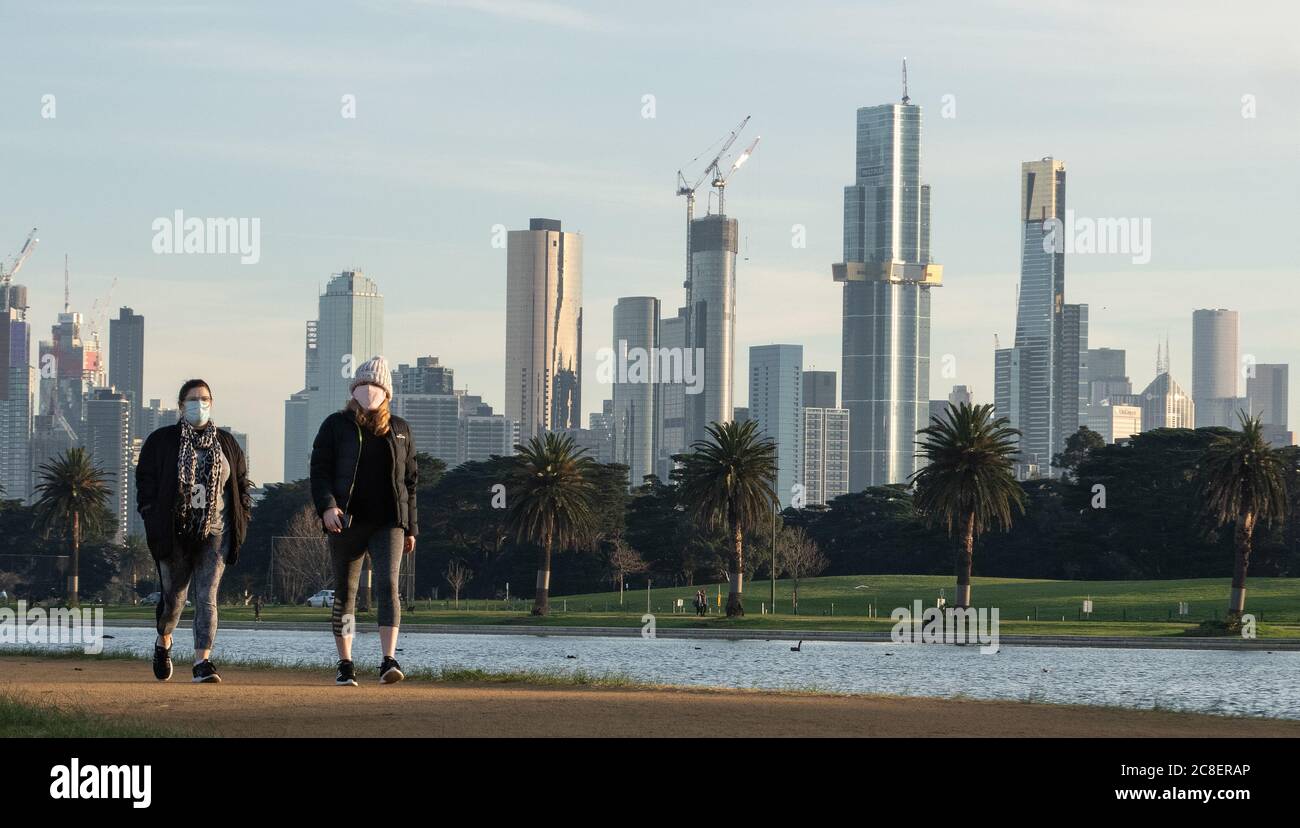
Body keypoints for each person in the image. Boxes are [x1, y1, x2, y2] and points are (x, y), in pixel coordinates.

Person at [310, 356, 418, 686]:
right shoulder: (336, 425)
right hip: (346, 523)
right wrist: (328, 507)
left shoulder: (400, 429)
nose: (368, 393)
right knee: (346, 592)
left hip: (389, 523)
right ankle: (346, 663)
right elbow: (319, 471)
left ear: (387, 393)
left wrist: (411, 526)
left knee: (388, 587)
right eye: (362, 386)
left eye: (375, 387)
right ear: (353, 390)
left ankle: (389, 659)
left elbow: (411, 481)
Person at [136, 379, 252, 683]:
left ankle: (203, 662)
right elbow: (145, 482)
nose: (198, 404)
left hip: (215, 532)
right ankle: (164, 642)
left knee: (207, 596)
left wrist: (243, 518)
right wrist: (150, 514)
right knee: (174, 599)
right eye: (192, 399)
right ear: (180, 405)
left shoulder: (227, 442)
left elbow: (240, 485)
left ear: (211, 403)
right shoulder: (161, 441)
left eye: (204, 399)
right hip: (173, 532)